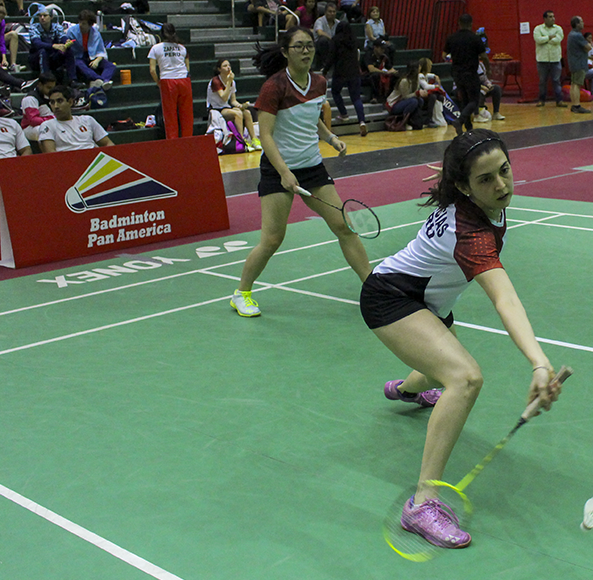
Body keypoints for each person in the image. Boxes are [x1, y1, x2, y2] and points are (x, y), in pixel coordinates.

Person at [359, 129, 559, 549]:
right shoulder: (470, 232)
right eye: (486, 179)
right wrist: (539, 362)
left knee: (440, 368)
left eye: (504, 170)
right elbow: (505, 298)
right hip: (392, 298)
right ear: (464, 187)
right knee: (464, 378)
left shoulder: (478, 200)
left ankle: (406, 390)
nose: (501, 185)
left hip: (430, 302)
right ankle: (421, 504)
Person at [230, 27, 371, 317]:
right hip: (278, 170)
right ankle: (241, 293)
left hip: (312, 167)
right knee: (272, 239)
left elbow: (311, 117)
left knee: (344, 226)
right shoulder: (274, 87)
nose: (306, 51)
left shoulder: (318, 82)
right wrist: (284, 172)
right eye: (299, 46)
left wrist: (330, 138)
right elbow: (265, 135)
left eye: (309, 45)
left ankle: (373, 287)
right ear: (285, 52)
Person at [443, 13, 486, 135]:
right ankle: (460, 120)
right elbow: (484, 56)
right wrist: (488, 68)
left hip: (457, 73)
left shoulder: (452, 38)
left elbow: (444, 55)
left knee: (465, 101)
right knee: (474, 101)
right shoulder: (475, 38)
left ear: (459, 23)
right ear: (471, 24)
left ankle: (469, 128)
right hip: (470, 72)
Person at [149, 23, 193, 139]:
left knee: (170, 115)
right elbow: (188, 68)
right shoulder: (182, 48)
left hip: (167, 80)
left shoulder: (156, 48)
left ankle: (173, 143)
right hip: (184, 80)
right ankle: (188, 142)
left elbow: (152, 70)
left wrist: (158, 82)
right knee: (187, 114)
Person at [38, 85, 113, 152]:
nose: (56, 106)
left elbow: (108, 143)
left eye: (60, 101)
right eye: (52, 102)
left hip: (92, 159)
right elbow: (51, 154)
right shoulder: (47, 126)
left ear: (70, 102)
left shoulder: (87, 120)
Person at [324, 20, 367, 136]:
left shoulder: (336, 40)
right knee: (356, 98)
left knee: (335, 92)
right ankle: (362, 121)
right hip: (354, 71)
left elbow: (331, 57)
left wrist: (325, 70)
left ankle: (343, 114)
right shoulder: (354, 40)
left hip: (340, 72)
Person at [208, 59, 261, 149]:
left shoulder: (232, 82)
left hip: (226, 107)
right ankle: (241, 141)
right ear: (219, 69)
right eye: (225, 66)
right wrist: (229, 82)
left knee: (246, 112)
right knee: (238, 113)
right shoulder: (215, 81)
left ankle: (254, 139)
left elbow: (233, 101)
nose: (228, 67)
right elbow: (224, 97)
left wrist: (241, 106)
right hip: (216, 110)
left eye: (229, 65)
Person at [66, 10, 116, 89]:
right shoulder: (71, 31)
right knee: (79, 64)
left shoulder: (95, 33)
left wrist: (97, 60)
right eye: (80, 22)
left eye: (84, 23)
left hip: (92, 56)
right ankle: (100, 80)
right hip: (78, 57)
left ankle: (103, 80)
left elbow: (101, 50)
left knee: (111, 66)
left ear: (90, 25)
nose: (80, 25)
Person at [28, 7, 75, 84]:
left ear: (51, 17)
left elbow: (62, 36)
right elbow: (37, 43)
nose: (42, 18)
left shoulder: (57, 27)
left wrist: (66, 41)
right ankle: (46, 81)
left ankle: (72, 80)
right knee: (43, 51)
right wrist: (53, 46)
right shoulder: (34, 27)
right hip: (36, 58)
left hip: (52, 57)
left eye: (45, 15)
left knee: (68, 50)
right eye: (40, 16)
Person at [385, 62, 434, 129]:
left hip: (406, 101)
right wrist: (417, 93)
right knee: (414, 101)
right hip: (393, 104)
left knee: (420, 100)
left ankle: (416, 121)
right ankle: (404, 122)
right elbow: (405, 97)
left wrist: (421, 93)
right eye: (419, 68)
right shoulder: (404, 81)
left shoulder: (416, 79)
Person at [533, 10, 564, 107]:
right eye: (550, 17)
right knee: (542, 81)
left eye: (553, 16)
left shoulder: (558, 28)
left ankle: (559, 100)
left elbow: (558, 40)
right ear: (545, 19)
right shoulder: (538, 28)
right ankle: (541, 100)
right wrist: (549, 37)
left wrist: (545, 38)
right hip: (542, 60)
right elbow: (538, 40)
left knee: (556, 81)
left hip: (555, 59)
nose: (553, 18)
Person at [20, 72, 56, 141]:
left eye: (53, 88)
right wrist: (52, 119)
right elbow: (33, 121)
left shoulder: (50, 95)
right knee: (45, 130)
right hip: (30, 128)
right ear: (40, 85)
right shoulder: (30, 99)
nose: (51, 91)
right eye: (48, 87)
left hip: (49, 123)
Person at [566, 16, 590, 114]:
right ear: (577, 24)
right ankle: (577, 105)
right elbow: (588, 47)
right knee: (577, 84)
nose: (583, 23)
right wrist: (589, 44)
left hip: (573, 62)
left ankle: (574, 104)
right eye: (581, 22)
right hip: (579, 63)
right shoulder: (577, 35)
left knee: (573, 84)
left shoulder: (571, 34)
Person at [362, 38, 396, 104]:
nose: (383, 50)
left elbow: (390, 68)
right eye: (381, 48)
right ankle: (374, 97)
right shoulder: (368, 55)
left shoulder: (384, 56)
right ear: (375, 47)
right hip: (365, 76)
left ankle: (389, 97)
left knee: (394, 76)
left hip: (379, 75)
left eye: (384, 48)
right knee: (375, 75)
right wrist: (385, 72)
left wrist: (394, 72)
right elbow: (371, 69)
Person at [312, 1, 338, 71]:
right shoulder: (319, 21)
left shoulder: (338, 23)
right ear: (325, 12)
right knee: (323, 40)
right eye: (330, 11)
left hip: (332, 45)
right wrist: (332, 39)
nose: (332, 13)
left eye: (334, 12)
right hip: (318, 46)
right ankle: (324, 66)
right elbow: (320, 32)